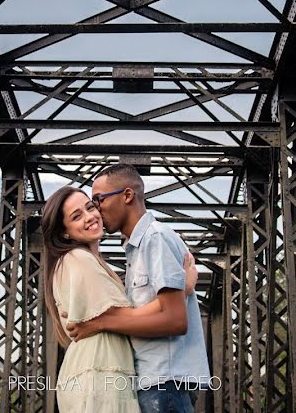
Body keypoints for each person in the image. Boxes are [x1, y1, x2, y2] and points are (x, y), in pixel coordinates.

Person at [66, 163, 210, 412]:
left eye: (98, 200)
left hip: (164, 383)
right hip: (151, 382)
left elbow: (176, 320)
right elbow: (155, 311)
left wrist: (101, 322)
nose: (97, 211)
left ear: (127, 195)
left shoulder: (156, 239)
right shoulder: (136, 249)